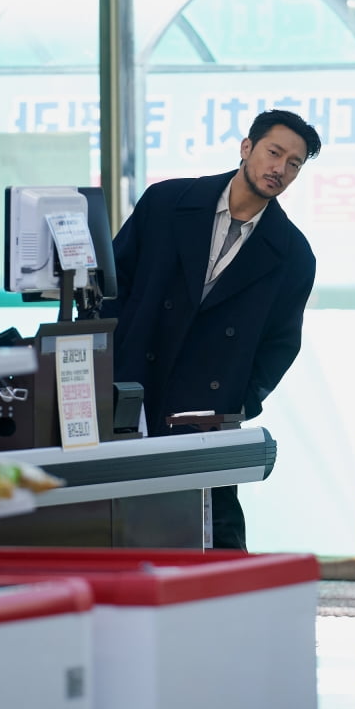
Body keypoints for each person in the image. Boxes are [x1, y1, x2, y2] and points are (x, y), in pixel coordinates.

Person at [104, 108, 321, 550]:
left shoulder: (293, 255)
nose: (280, 169)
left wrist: (239, 400)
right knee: (117, 521)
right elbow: (113, 284)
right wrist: (107, 365)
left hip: (207, 412)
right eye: (274, 152)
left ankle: (229, 613)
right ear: (247, 148)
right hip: (131, 390)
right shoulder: (166, 202)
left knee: (214, 532)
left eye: (294, 163)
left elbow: (281, 344)